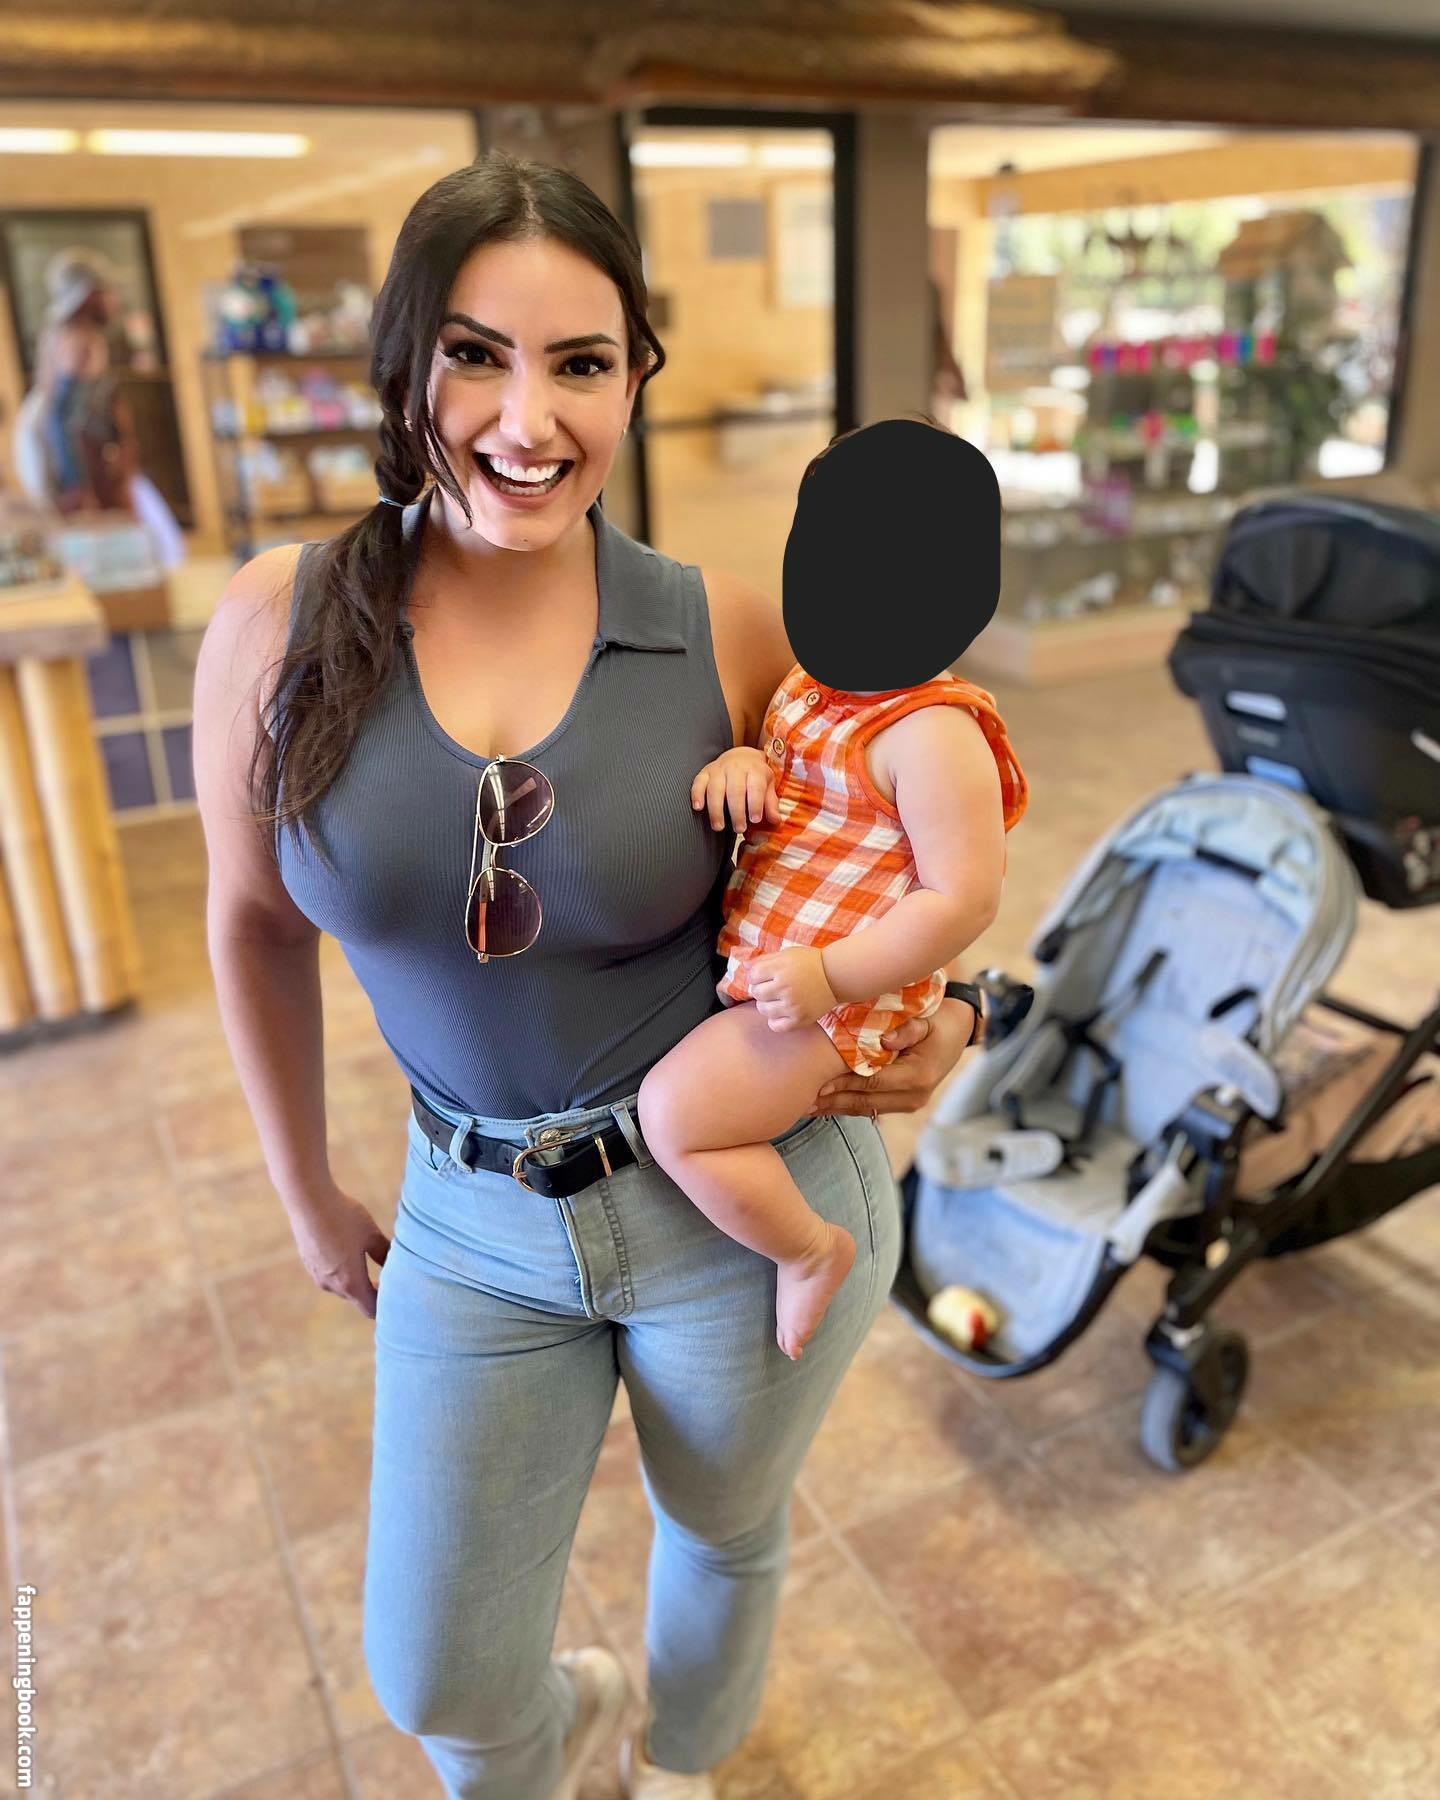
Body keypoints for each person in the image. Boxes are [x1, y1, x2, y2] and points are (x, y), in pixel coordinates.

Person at [193, 152, 980, 1800]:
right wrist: (303, 1187)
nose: (527, 418)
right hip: (470, 1222)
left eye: (581, 363)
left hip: (742, 1201)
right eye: (475, 355)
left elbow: (913, 835)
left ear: (634, 380)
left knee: (724, 1527)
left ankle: (685, 1763)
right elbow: (256, 923)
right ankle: (566, 1731)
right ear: (403, 364)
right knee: (440, 1671)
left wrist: (959, 1013)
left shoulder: (730, 632)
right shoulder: (280, 622)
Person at [637, 417, 1028, 1362]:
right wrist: (743, 763)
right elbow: (792, 783)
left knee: (678, 1117)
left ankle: (810, 1251)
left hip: (840, 1004)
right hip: (790, 977)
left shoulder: (932, 733)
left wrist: (833, 977)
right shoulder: (812, 688)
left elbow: (963, 898)